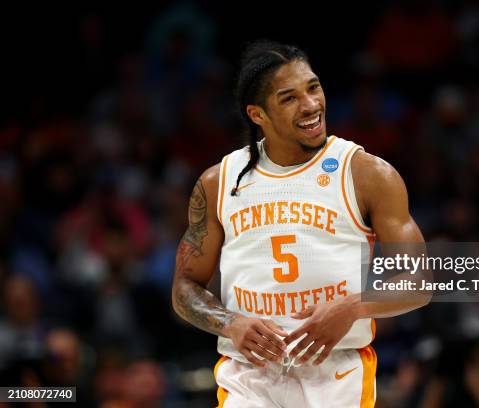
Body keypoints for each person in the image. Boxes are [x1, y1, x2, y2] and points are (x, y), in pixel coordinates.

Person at [171, 40, 427, 407]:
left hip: (336, 372)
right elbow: (184, 287)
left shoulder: (367, 173)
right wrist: (229, 323)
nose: (311, 105)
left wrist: (353, 307)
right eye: (289, 98)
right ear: (257, 114)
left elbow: (420, 281)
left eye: (313, 87)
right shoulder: (218, 182)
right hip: (249, 374)